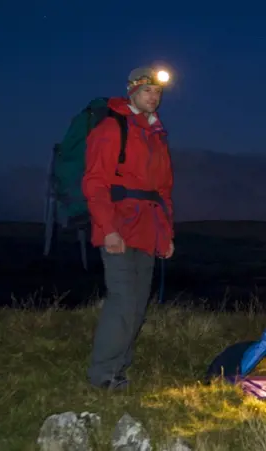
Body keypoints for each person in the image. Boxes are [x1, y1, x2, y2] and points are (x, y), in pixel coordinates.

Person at [82, 65, 175, 390]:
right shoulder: (111, 128)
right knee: (122, 300)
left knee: (137, 304)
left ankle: (118, 371)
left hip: (147, 231)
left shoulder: (157, 135)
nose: (154, 97)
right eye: (148, 90)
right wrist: (108, 229)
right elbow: (95, 183)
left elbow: (163, 191)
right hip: (118, 227)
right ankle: (102, 375)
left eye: (158, 92)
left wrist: (166, 234)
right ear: (132, 91)